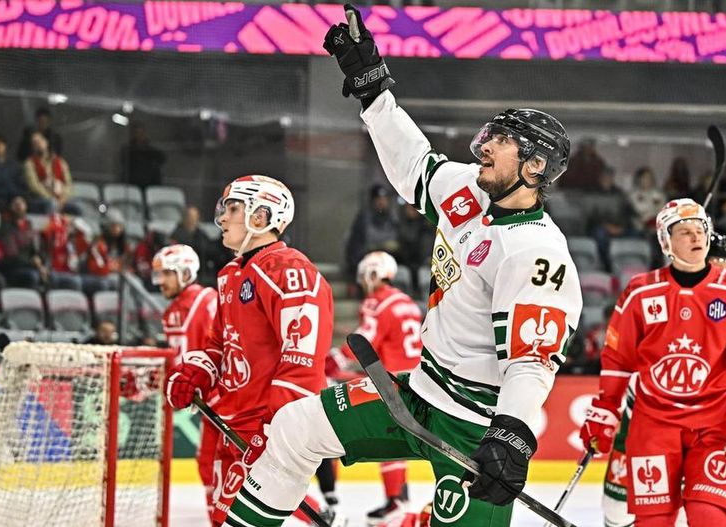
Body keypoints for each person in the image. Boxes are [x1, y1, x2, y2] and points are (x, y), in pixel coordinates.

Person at [220, 8, 583, 527]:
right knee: (294, 429)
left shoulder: (535, 251)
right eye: (491, 134)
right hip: (416, 394)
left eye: (502, 141)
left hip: (475, 428)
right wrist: (373, 92)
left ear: (535, 166)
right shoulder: (466, 192)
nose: (484, 145)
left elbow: (532, 360)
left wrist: (513, 436)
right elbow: (413, 162)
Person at [580, 199, 726, 527]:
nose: (696, 237)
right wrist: (607, 408)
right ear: (665, 242)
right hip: (653, 426)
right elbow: (617, 359)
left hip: (716, 427)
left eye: (701, 230)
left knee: (708, 518)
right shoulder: (641, 292)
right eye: (685, 231)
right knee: (648, 520)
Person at [163, 174, 334, 526]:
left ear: (262, 215)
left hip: (266, 432)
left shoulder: (289, 270)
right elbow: (218, 345)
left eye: (233, 208)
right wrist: (197, 371)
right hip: (231, 426)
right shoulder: (230, 275)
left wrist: (274, 433)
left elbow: (302, 362)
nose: (222, 218)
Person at [598, 229, 726, 527]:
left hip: (706, 427)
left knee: (701, 507)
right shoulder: (667, 297)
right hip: (648, 422)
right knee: (618, 511)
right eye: (717, 268)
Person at [340, 251, 423, 525]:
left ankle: (396, 502)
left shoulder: (379, 301)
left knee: (388, 438)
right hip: (418, 379)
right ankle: (400, 498)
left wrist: (335, 359)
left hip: (393, 380)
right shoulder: (407, 302)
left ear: (373, 273)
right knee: (399, 438)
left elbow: (365, 340)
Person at [152, 243, 219, 518]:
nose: (160, 282)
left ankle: (319, 513)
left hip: (229, 397)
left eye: (167, 274)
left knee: (249, 466)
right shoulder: (171, 313)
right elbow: (176, 359)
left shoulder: (209, 300)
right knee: (208, 464)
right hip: (211, 403)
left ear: (185, 272)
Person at [344, 183, 400, 289]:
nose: (381, 202)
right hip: (368, 260)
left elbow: (401, 244)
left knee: (402, 274)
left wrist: (396, 248)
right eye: (378, 199)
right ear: (373, 201)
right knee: (373, 272)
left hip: (390, 260)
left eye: (384, 199)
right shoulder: (363, 218)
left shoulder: (393, 218)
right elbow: (354, 247)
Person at [22, 131, 73, 214]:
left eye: (40, 141)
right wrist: (51, 196)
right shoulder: (29, 163)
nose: (38, 145)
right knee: (52, 203)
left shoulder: (61, 162)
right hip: (40, 199)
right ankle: (52, 226)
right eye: (35, 143)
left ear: (46, 142)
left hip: (61, 198)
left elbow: (69, 184)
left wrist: (63, 197)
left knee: (79, 207)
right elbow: (34, 186)